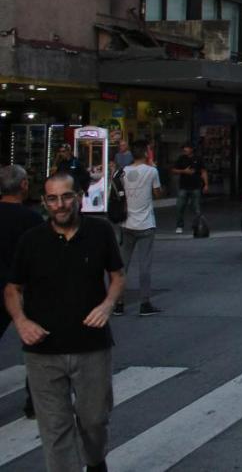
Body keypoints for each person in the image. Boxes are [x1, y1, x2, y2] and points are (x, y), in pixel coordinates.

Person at [6, 172, 124, 472]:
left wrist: (108, 305)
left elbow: (117, 276)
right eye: (53, 198)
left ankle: (96, 461)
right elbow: (12, 288)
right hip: (43, 350)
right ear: (44, 202)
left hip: (91, 346)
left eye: (67, 196)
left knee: (94, 420)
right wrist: (20, 321)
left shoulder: (100, 232)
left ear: (79, 196)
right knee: (55, 428)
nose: (60, 204)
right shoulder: (31, 240)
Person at [0, 166, 42, 419]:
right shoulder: (32, 220)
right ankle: (34, 401)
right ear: (24, 185)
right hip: (22, 290)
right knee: (35, 343)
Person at [115, 141, 161, 317]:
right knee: (145, 265)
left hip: (127, 223)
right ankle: (145, 303)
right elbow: (158, 194)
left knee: (123, 265)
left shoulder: (122, 172)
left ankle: (119, 303)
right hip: (146, 223)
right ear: (145, 153)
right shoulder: (151, 171)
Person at [171, 143, 207, 235]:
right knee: (180, 207)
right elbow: (173, 170)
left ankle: (198, 225)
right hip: (183, 187)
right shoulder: (181, 158)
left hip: (196, 186)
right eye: (184, 148)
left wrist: (206, 184)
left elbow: (203, 171)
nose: (185, 149)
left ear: (191, 149)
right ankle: (179, 225)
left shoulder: (198, 158)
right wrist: (184, 171)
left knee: (196, 208)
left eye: (187, 148)